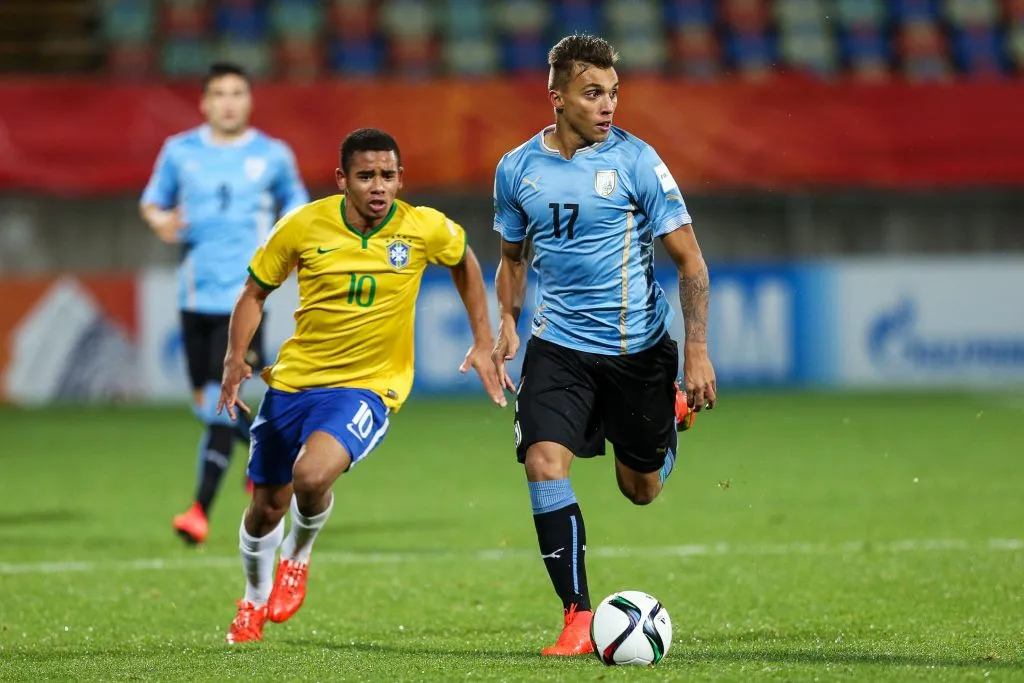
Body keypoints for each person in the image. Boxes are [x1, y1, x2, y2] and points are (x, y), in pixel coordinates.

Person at [217, 128, 504, 644]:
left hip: (369, 386)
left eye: (388, 176)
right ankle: (252, 601)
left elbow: (465, 261)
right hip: (294, 383)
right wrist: (235, 358)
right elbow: (254, 292)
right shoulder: (303, 226)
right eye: (366, 176)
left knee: (312, 475)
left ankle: (298, 558)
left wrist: (483, 341)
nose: (379, 186)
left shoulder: (422, 228)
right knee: (265, 508)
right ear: (342, 179)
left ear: (400, 178)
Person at [490, 34, 717, 656]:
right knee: (543, 463)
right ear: (556, 95)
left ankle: (670, 413)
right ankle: (576, 617)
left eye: (614, 93)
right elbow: (512, 258)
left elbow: (690, 263)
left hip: (637, 352)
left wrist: (694, 351)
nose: (608, 105)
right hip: (558, 349)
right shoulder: (517, 169)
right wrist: (506, 323)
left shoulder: (639, 161)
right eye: (594, 93)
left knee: (639, 490)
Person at [140, 62, 309, 545]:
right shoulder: (180, 152)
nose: (228, 102)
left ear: (249, 100)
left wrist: (290, 244)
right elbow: (153, 201)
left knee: (221, 404)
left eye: (237, 93)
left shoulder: (272, 155)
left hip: (247, 296)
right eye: (219, 93)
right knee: (207, 406)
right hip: (195, 297)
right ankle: (266, 460)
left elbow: (296, 205)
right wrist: (158, 221)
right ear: (205, 102)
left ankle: (199, 510)